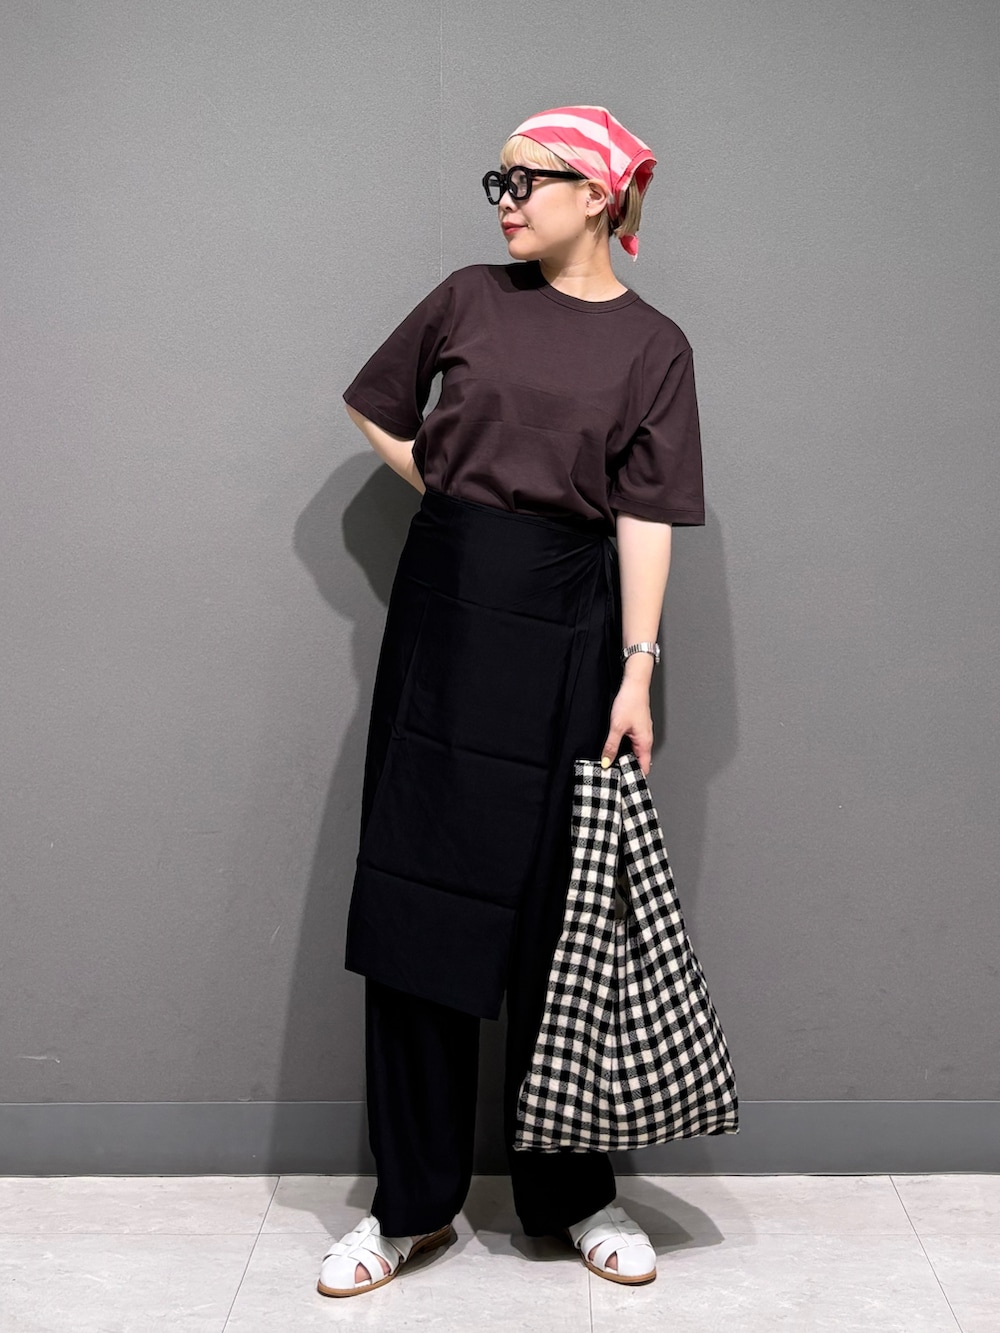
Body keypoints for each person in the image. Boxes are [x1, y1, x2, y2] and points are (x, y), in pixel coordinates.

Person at [317, 104, 705, 1298]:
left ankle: (574, 1194)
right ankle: (409, 1206)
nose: (507, 199)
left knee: (563, 913)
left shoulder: (654, 345)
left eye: (530, 179)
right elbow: (376, 404)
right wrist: (448, 482)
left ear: (599, 194)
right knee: (419, 900)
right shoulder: (467, 299)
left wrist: (637, 668)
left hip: (572, 625)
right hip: (446, 612)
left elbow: (646, 512)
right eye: (500, 180)